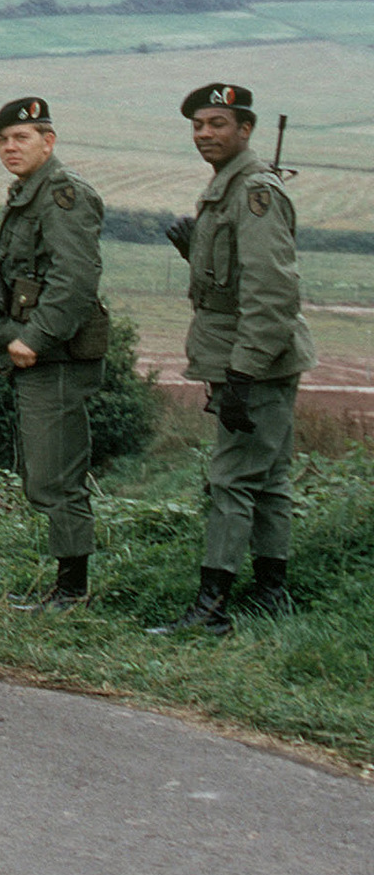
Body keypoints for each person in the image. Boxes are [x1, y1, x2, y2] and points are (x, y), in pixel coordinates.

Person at [151, 83, 315, 635]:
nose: (204, 134)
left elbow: (272, 294)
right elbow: (235, 273)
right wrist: (195, 251)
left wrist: (243, 373)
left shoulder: (253, 193)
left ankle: (211, 609)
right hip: (251, 358)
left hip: (253, 362)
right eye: (198, 125)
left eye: (217, 123)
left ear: (245, 130)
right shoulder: (229, 190)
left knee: (230, 481)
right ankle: (270, 597)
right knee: (268, 480)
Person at [0, 97, 108, 610]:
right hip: (41, 351)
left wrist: (33, 339)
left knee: (57, 474)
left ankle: (73, 591)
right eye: (3, 140)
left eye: (22, 137)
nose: (10, 147)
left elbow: (76, 280)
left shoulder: (62, 195)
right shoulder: (29, 193)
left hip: (56, 354)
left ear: (48, 142)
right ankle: (67, 583)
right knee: (45, 472)